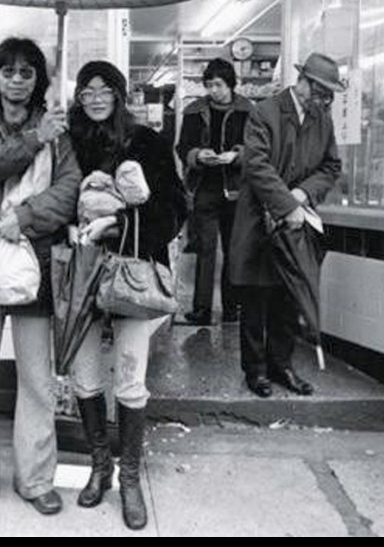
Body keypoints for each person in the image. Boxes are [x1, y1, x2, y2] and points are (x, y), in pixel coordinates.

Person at [0, 38, 82, 514]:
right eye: (9, 71)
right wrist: (34, 138)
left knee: (37, 380)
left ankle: (36, 479)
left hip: (36, 260)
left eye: (27, 72)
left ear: (38, 80)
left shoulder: (57, 129)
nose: (18, 79)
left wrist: (23, 218)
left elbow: (68, 191)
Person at [67, 61, 187, 530]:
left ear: (118, 94)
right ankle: (100, 466)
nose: (95, 98)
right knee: (85, 376)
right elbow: (58, 200)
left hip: (133, 276)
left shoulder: (146, 143)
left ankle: (131, 477)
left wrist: (116, 225)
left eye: (104, 90)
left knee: (131, 378)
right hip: (81, 271)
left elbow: (174, 208)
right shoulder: (70, 145)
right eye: (86, 90)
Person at [229, 53, 343, 399]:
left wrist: (303, 195)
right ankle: (256, 371)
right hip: (257, 223)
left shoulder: (323, 121)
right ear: (303, 81)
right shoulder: (264, 112)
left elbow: (330, 166)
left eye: (329, 95)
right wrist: (286, 203)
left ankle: (282, 366)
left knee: (287, 299)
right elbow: (257, 166)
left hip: (295, 224)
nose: (325, 101)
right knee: (255, 299)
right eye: (320, 92)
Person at [175, 58, 252, 326]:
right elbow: (182, 146)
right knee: (206, 249)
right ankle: (202, 310)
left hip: (237, 190)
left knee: (235, 249)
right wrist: (198, 155)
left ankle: (233, 308)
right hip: (204, 188)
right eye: (209, 85)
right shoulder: (194, 111)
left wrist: (237, 155)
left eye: (218, 84)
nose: (214, 90)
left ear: (230, 83)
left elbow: (257, 147)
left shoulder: (248, 110)